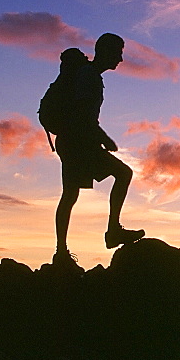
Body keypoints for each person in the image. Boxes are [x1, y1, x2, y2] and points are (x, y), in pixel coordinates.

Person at [53, 33, 144, 268]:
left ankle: (62, 251)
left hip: (73, 142)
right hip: (79, 143)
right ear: (105, 51)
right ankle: (112, 232)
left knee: (70, 195)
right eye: (119, 52)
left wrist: (99, 138)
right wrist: (104, 139)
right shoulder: (89, 76)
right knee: (123, 174)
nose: (121, 59)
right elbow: (82, 114)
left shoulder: (88, 75)